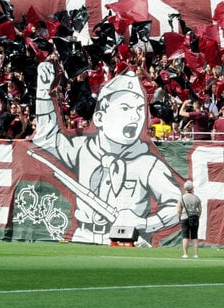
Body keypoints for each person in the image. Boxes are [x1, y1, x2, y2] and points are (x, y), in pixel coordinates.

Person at [32, 61, 182, 244]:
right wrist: (43, 94)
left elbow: (177, 204)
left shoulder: (147, 163)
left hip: (129, 239)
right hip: (82, 236)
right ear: (100, 117)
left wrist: (146, 223)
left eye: (139, 109)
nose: (135, 116)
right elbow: (47, 139)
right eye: (125, 108)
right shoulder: (82, 148)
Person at [177, 179, 202, 258]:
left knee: (185, 236)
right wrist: (198, 216)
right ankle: (195, 254)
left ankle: (185, 254)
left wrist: (179, 217)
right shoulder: (196, 198)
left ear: (185, 188)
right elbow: (200, 209)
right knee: (194, 236)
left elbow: (179, 210)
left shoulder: (182, 198)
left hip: (185, 218)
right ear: (192, 188)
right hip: (194, 217)